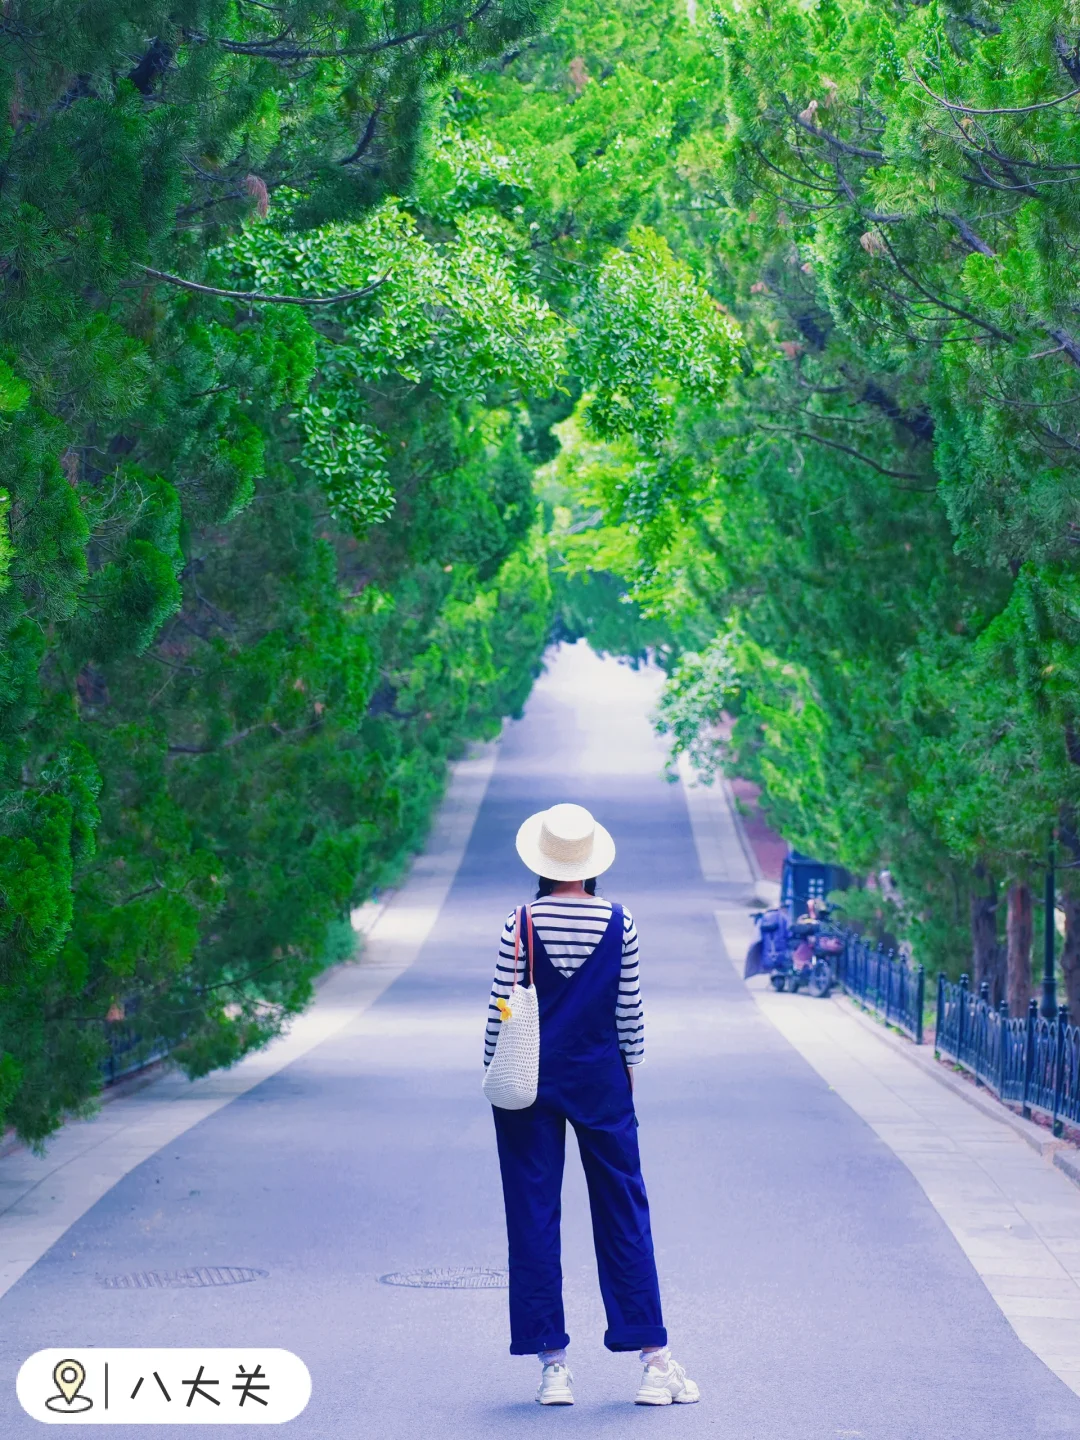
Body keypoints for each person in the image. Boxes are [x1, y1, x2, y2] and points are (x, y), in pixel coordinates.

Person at [484, 802, 700, 1408]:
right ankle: (654, 1362)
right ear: (590, 861)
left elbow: (502, 1013)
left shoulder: (519, 924)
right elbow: (628, 1013)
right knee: (624, 1211)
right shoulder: (621, 922)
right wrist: (628, 1077)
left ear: (543, 861)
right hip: (601, 1081)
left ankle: (553, 1366)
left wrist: (494, 1076)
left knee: (532, 1216)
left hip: (530, 1083)